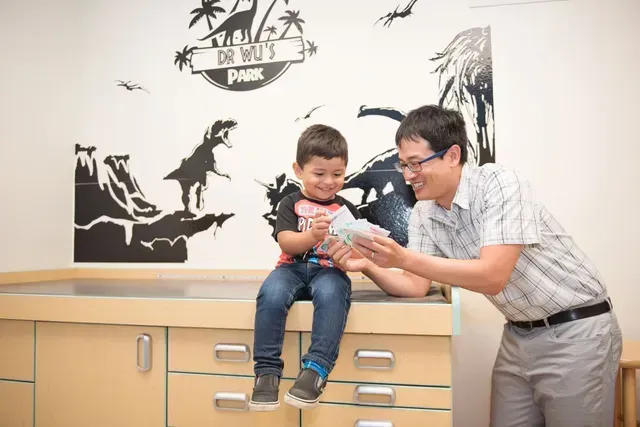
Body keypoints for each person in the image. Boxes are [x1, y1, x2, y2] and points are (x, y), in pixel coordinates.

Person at [326, 105, 623, 427]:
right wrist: (365, 264)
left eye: (416, 164)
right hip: (517, 335)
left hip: (577, 331)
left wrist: (402, 258)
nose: (408, 176)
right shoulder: (425, 214)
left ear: (452, 155)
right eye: (403, 165)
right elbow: (414, 285)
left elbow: (493, 275)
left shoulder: (501, 183)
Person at [249, 124, 361, 412]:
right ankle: (266, 372)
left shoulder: (347, 210)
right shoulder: (290, 203)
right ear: (298, 171)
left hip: (329, 271)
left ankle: (315, 371)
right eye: (319, 173)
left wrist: (350, 250)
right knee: (271, 292)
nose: (328, 182)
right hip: (292, 268)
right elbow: (286, 243)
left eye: (337, 174)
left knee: (334, 291)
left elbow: (357, 251)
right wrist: (312, 236)